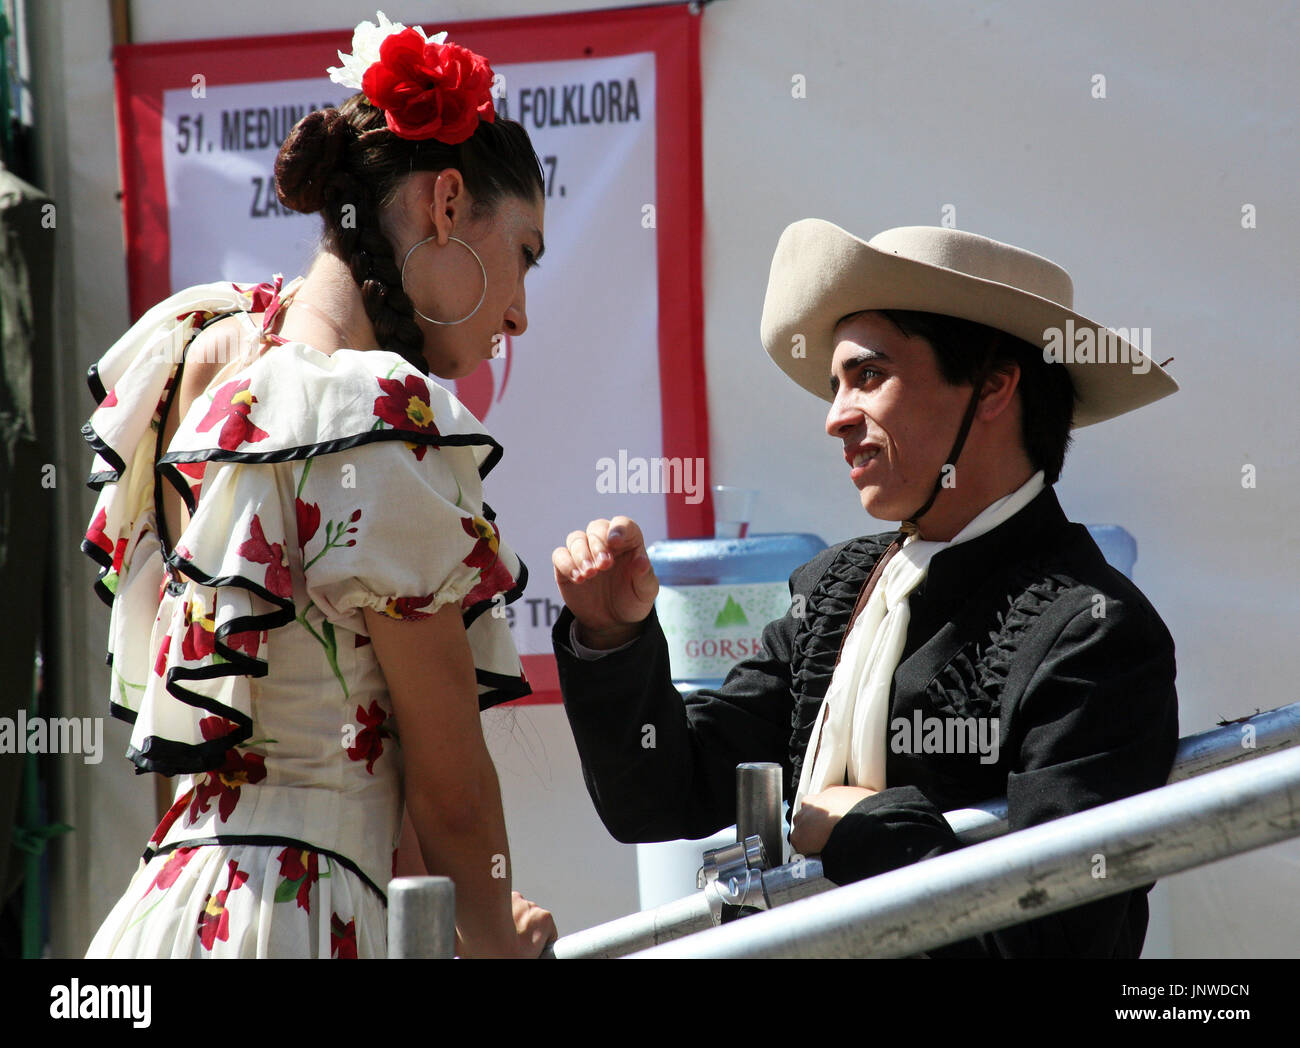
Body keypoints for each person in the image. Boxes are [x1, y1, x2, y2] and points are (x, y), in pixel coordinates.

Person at [551, 221, 1180, 957]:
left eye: (869, 377)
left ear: (995, 385)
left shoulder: (1095, 630)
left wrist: (875, 833)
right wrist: (613, 639)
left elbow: (1061, 942)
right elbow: (661, 794)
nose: (835, 418)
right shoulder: (835, 590)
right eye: (836, 385)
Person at [82, 13, 555, 958]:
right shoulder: (374, 408)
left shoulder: (203, 353)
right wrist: (498, 942)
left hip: (166, 914)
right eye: (526, 255)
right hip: (294, 923)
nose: (520, 311)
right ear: (448, 204)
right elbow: (453, 796)